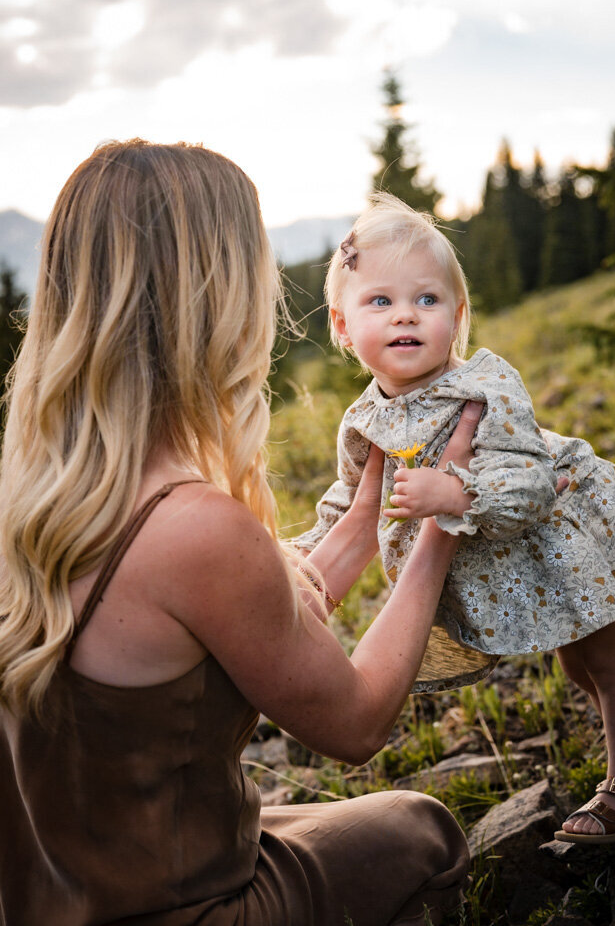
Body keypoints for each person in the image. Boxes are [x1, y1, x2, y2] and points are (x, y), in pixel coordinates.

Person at [0, 142, 480, 926]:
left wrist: (363, 519)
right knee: (419, 825)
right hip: (189, 909)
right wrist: (442, 529)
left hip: (58, 902)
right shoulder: (195, 528)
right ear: (213, 294)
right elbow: (355, 722)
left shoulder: (41, 499)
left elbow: (254, 626)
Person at [294, 192, 615, 846]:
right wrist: (295, 551)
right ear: (343, 326)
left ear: (457, 316)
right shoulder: (365, 417)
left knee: (607, 665)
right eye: (379, 301)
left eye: (427, 300)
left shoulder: (485, 385)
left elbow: (529, 484)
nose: (406, 315)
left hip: (577, 533)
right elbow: (350, 500)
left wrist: (456, 493)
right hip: (535, 564)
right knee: (576, 669)